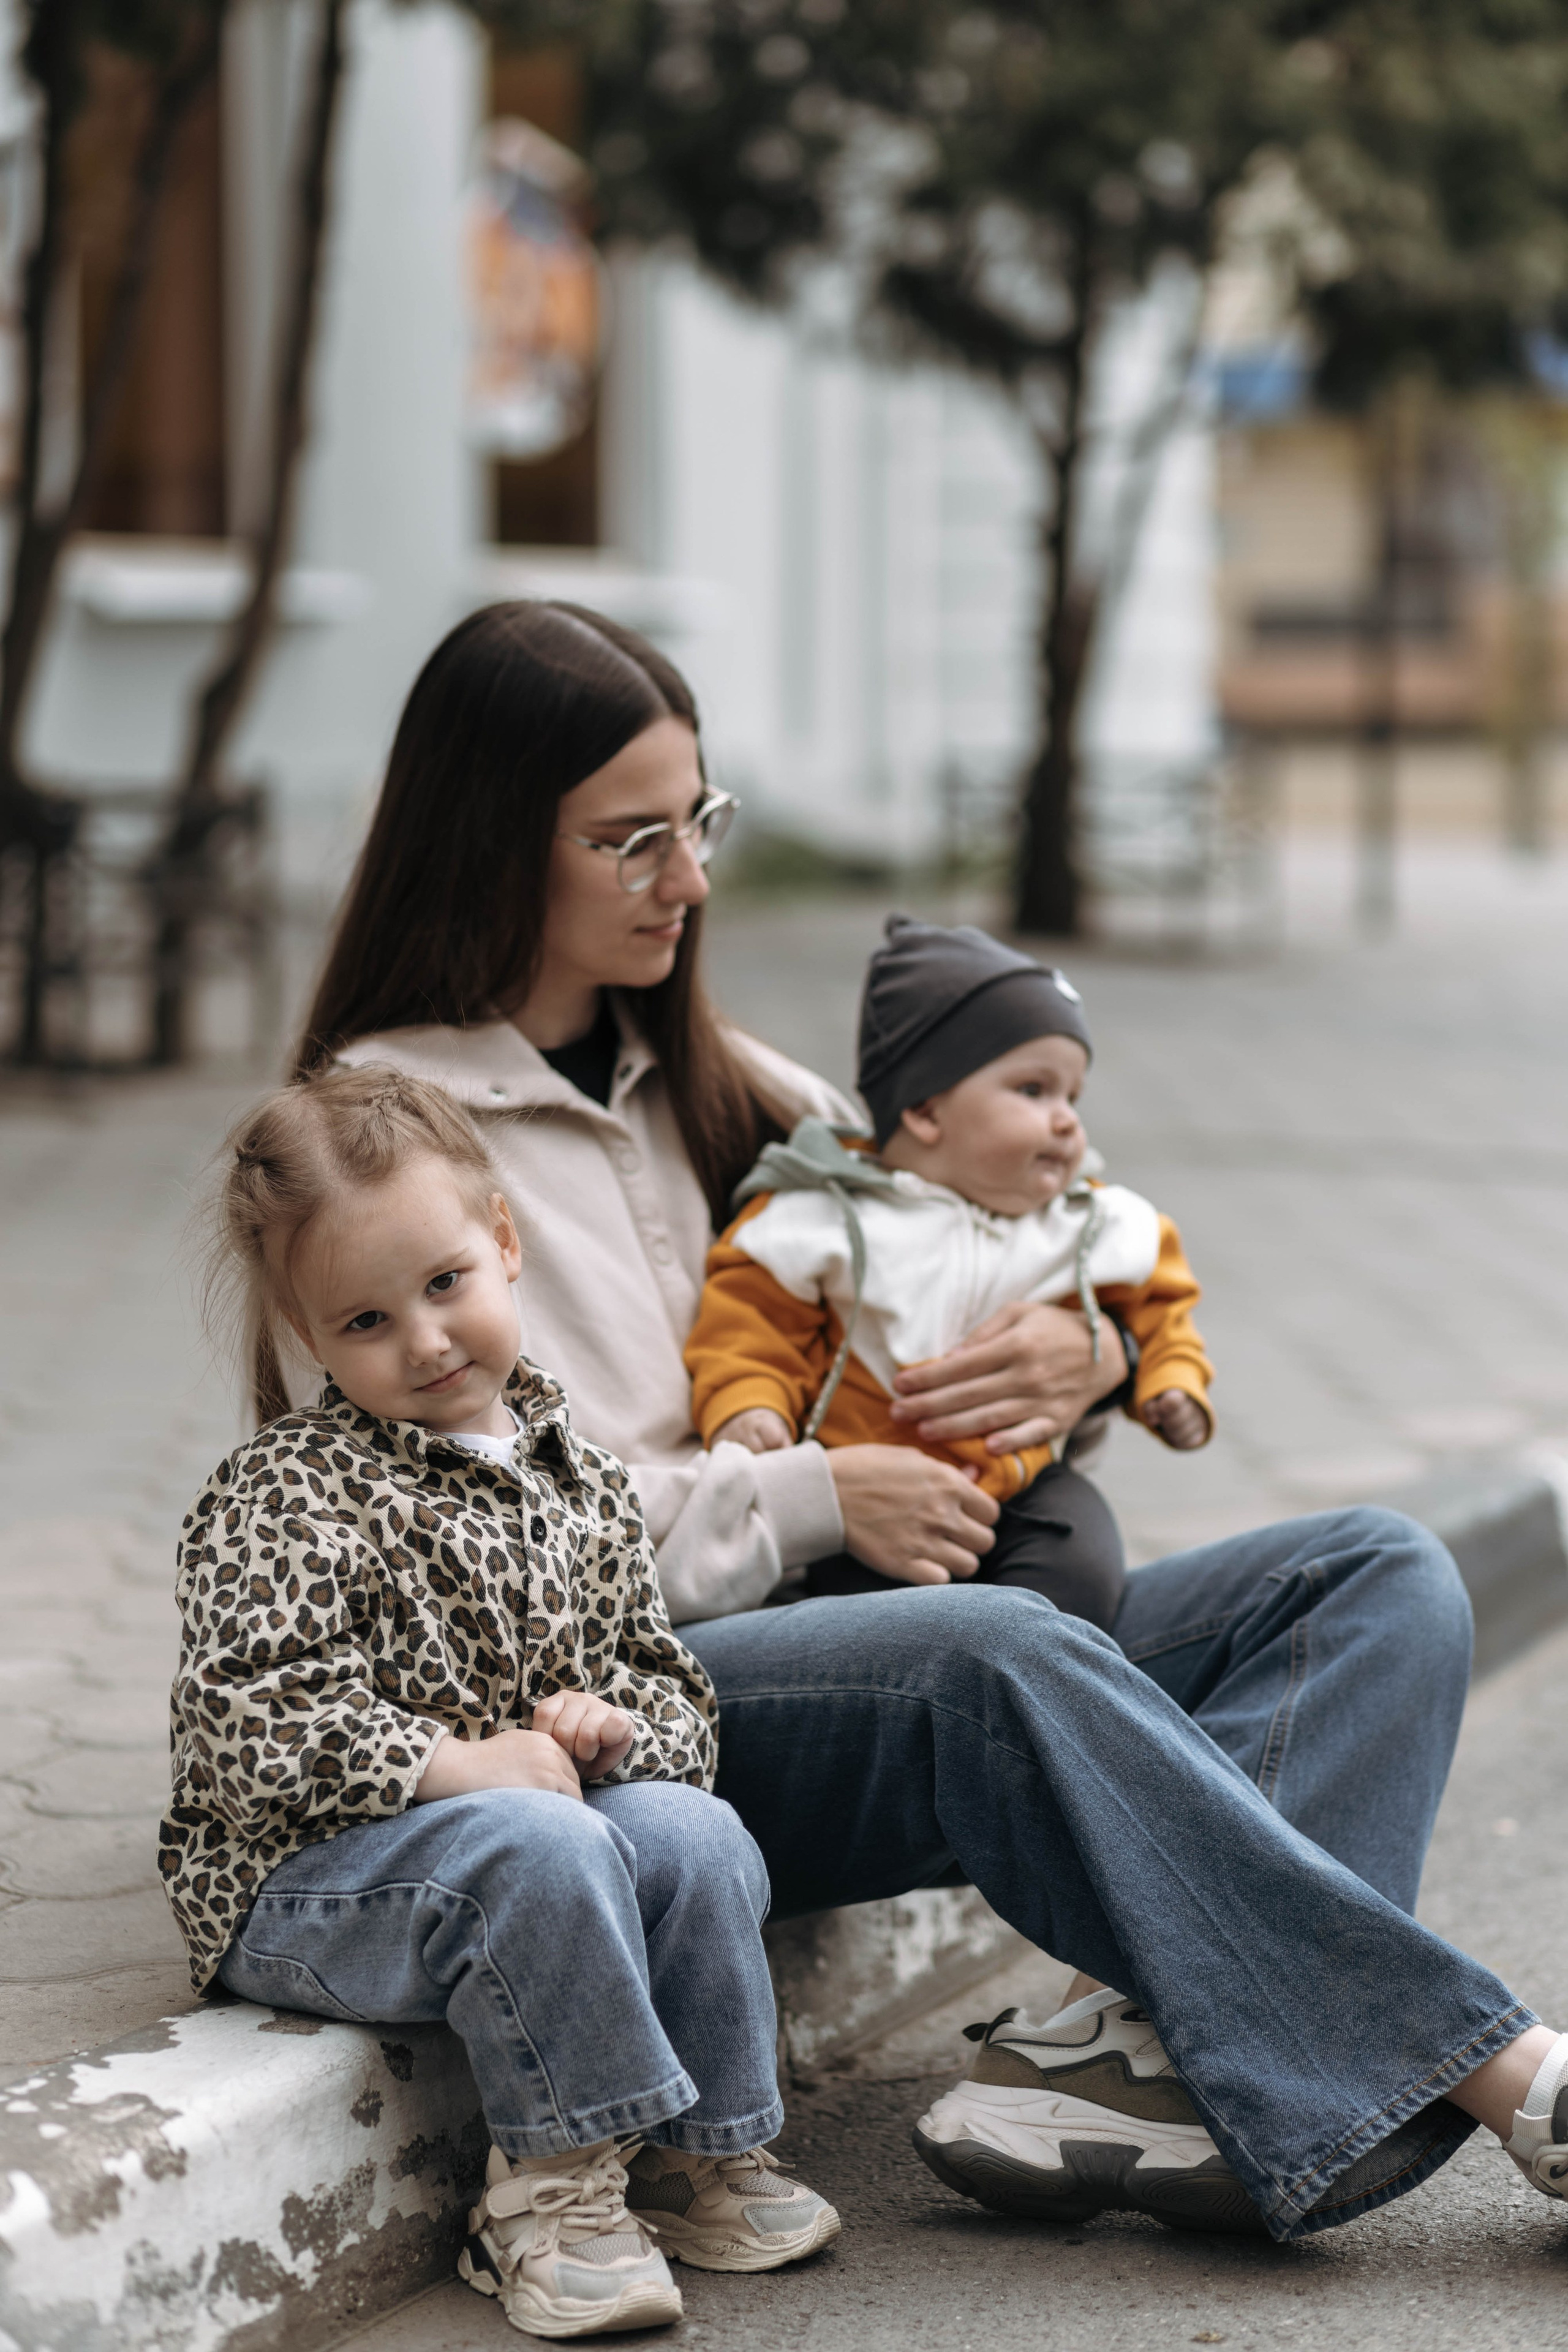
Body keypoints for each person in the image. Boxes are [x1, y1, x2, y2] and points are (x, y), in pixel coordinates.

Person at [302, 598, 1568, 2243]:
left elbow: (970, 1335)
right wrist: (824, 1497)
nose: (689, 882)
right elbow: (485, 1549)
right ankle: (1503, 2073)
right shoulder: (370, 1150)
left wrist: (1090, 1371)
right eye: (630, 843)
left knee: (1376, 1575)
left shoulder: (738, 1088)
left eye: (699, 825)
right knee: (992, 1649)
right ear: (489, 845)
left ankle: (1125, 2061)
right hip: (633, 1723)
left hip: (879, 1643)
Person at [161, 1065, 839, 2343]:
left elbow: (662, 1675)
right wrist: (443, 1763)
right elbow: (242, 1720)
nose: (421, 1339)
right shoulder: (284, 1493)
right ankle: (544, 2192)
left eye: (444, 1285)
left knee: (692, 1833)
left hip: (526, 1845)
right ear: (310, 1336)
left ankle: (700, 2157)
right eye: (363, 1321)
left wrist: (615, 1727)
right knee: (542, 1841)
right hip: (306, 1885)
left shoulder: (572, 1473)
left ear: (504, 1246)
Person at [683, 913, 1212, 1627]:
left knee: (1080, 1560)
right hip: (867, 1499)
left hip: (1024, 1487)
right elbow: (747, 1324)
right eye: (1033, 1091)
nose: (1066, 1121)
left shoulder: (1094, 1226)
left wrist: (1169, 1382)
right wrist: (749, 1405)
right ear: (927, 1110)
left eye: (1072, 1097)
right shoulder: (819, 1218)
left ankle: (1065, 1681)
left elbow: (1161, 1313)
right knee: (861, 1612)